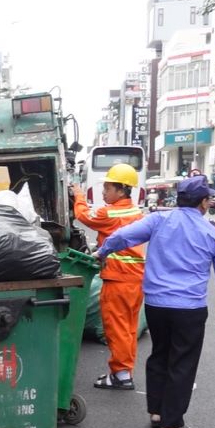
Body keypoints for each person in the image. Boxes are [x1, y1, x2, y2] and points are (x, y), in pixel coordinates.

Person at [97, 175, 215, 428]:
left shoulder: (158, 220)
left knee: (160, 354)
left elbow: (122, 236)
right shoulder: (212, 232)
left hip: (156, 305)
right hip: (189, 308)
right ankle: (172, 424)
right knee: (182, 362)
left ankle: (157, 412)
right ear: (204, 202)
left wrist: (102, 251)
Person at [70, 163, 146, 390]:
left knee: (116, 327)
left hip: (118, 278)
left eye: (108, 188)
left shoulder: (110, 213)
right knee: (129, 328)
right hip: (135, 279)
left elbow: (83, 215)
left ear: (121, 190)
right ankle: (124, 371)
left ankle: (121, 375)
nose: (104, 192)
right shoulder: (135, 212)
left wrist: (79, 195)